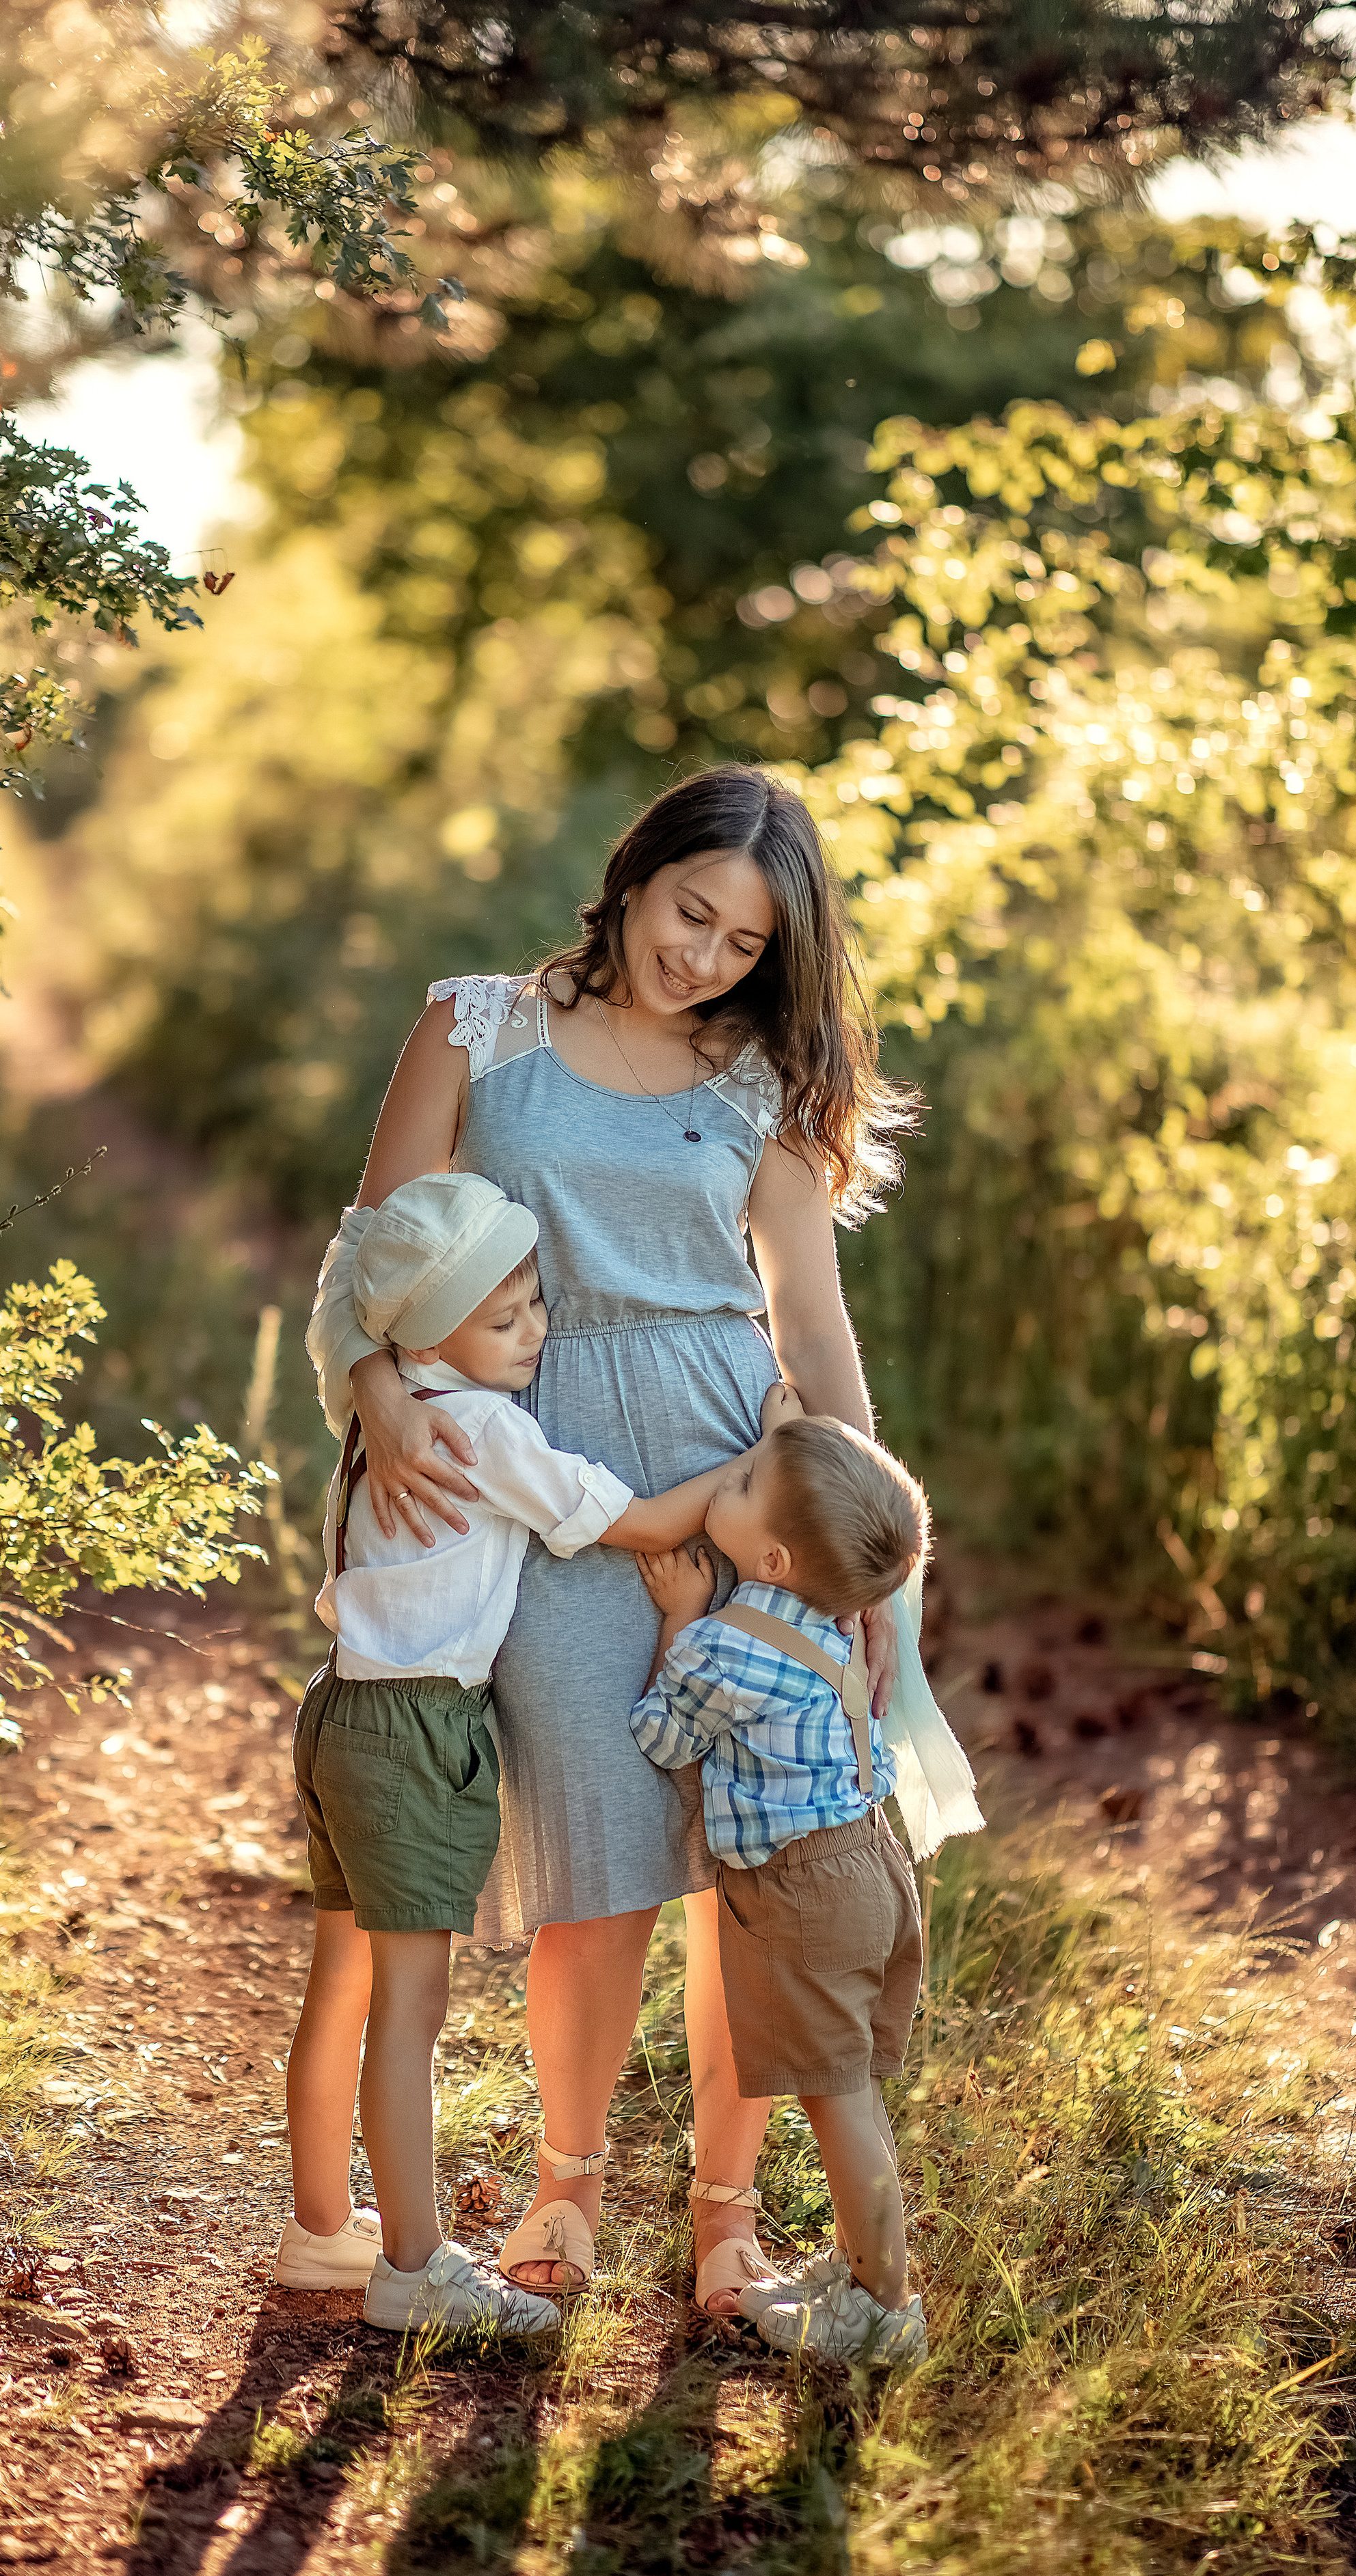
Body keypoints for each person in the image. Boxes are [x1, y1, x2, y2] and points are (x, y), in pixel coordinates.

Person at [305, 764, 921, 2312]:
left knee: (750, 1860)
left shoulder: (755, 1084)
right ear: (633, 878)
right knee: (595, 1861)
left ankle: (729, 2223)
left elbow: (812, 1326)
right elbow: (369, 1254)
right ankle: (564, 2194)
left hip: (736, 1490)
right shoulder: (472, 1027)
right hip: (539, 1484)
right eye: (687, 912)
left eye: (740, 942)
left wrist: (867, 1551)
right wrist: (378, 1389)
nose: (701, 956)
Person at [277, 1170, 776, 2333]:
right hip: (421, 1727)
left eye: (536, 1305)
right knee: (410, 2006)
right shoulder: (489, 1429)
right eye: (505, 1320)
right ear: (432, 1332)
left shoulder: (381, 1401)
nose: (537, 1332)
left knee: (339, 1981)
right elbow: (645, 1524)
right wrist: (765, 1466)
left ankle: (318, 2229)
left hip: (340, 1710)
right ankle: (411, 2267)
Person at [630, 1414, 930, 2364]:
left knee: (836, 2098)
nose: (727, 1477)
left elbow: (663, 1739)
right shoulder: (830, 1620)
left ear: (770, 1557)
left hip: (805, 1889)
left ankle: (884, 2306)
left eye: (746, 1481)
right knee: (849, 2090)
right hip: (872, 1863)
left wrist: (678, 1620)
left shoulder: (727, 1646)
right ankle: (854, 2268)